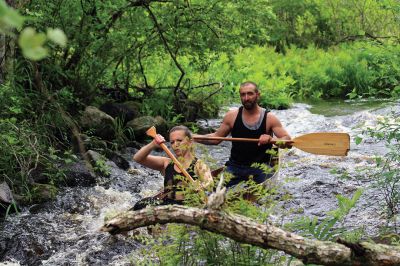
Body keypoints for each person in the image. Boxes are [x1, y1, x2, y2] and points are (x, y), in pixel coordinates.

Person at [194, 81, 291, 187]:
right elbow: (216, 138)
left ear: (258, 95)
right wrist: (193, 137)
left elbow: (288, 141)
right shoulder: (231, 116)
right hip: (235, 167)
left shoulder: (270, 118)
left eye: (250, 94)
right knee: (215, 191)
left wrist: (271, 139)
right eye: (243, 94)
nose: (246, 98)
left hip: (261, 168)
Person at [132, 125, 213, 210]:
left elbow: (209, 182)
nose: (176, 145)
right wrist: (152, 144)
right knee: (140, 204)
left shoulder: (199, 164)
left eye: (179, 140)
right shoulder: (166, 163)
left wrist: (201, 186)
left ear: (190, 142)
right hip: (167, 204)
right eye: (172, 142)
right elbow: (137, 158)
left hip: (188, 206)